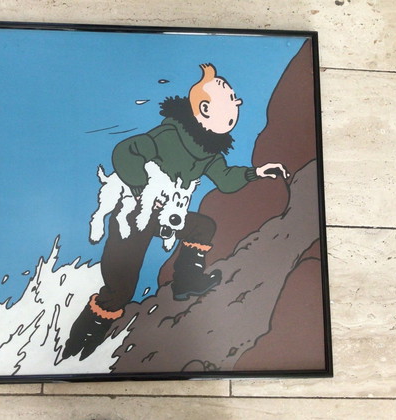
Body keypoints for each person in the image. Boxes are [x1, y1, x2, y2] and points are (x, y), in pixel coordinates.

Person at [62, 63, 289, 360]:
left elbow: (225, 179)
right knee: (120, 288)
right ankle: (82, 337)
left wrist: (256, 172)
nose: (238, 101)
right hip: (133, 214)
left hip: (167, 215)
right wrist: (142, 189)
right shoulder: (169, 134)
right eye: (230, 96)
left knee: (202, 227)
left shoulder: (209, 152)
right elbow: (126, 151)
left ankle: (186, 281)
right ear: (204, 109)